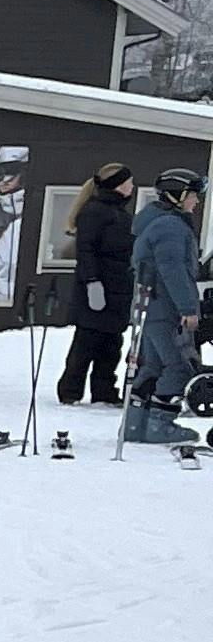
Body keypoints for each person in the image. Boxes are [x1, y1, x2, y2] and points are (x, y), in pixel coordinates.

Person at [121, 167, 203, 450]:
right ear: (177, 196)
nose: (196, 202)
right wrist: (188, 308)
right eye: (193, 195)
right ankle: (159, 423)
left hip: (151, 307)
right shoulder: (170, 226)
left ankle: (134, 424)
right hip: (164, 308)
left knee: (154, 366)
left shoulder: (159, 222)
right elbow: (173, 270)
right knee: (178, 368)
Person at [57, 161, 136, 409]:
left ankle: (104, 391)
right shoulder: (95, 211)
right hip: (99, 286)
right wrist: (92, 282)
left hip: (118, 287)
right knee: (86, 342)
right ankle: (70, 390)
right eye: (129, 181)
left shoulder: (120, 212)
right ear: (118, 185)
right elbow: (86, 250)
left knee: (111, 343)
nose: (132, 186)